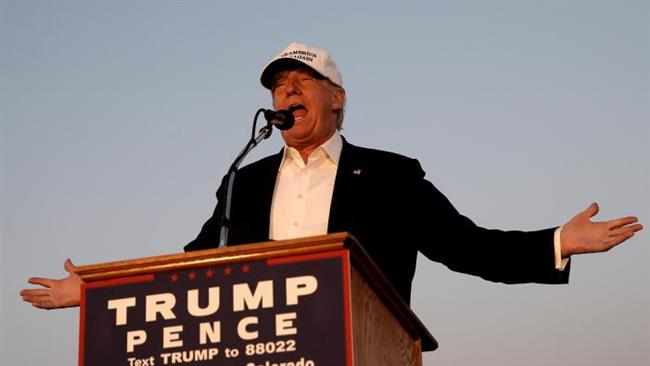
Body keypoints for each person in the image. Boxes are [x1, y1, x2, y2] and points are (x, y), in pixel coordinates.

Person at [21, 42, 643, 309]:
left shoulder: (392, 176)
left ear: (337, 99)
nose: (285, 93)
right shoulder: (248, 179)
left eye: (300, 83)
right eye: (277, 87)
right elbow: (198, 264)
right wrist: (99, 292)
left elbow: (464, 246)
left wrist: (557, 243)